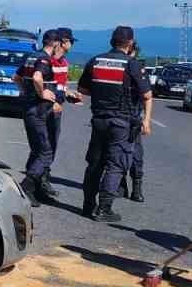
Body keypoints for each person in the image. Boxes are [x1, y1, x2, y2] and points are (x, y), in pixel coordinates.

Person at [81, 26, 151, 221]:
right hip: (121, 122)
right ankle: (104, 208)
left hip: (99, 120)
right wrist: (146, 120)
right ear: (130, 43)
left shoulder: (96, 61)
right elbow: (147, 95)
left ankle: (88, 205)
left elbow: (83, 89)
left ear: (112, 41)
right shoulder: (132, 64)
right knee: (116, 165)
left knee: (95, 163)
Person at [16, 30, 79, 203]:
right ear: (57, 43)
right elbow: (37, 77)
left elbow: (16, 76)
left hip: (33, 108)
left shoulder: (31, 56)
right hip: (39, 110)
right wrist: (41, 93)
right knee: (45, 152)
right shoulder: (44, 59)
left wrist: (25, 93)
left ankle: (34, 190)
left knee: (38, 150)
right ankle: (26, 187)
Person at [46, 29, 79, 193]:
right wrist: (52, 103)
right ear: (64, 41)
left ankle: (43, 178)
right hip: (46, 108)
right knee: (44, 147)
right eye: (71, 41)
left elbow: (60, 86)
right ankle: (36, 183)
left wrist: (68, 94)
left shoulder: (64, 63)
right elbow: (44, 85)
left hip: (58, 108)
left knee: (52, 144)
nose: (71, 44)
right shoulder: (48, 61)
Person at [120, 40, 147, 203]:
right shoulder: (135, 67)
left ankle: (130, 187)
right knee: (133, 153)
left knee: (121, 152)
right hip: (131, 116)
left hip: (124, 116)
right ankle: (131, 188)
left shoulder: (127, 67)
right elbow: (146, 94)